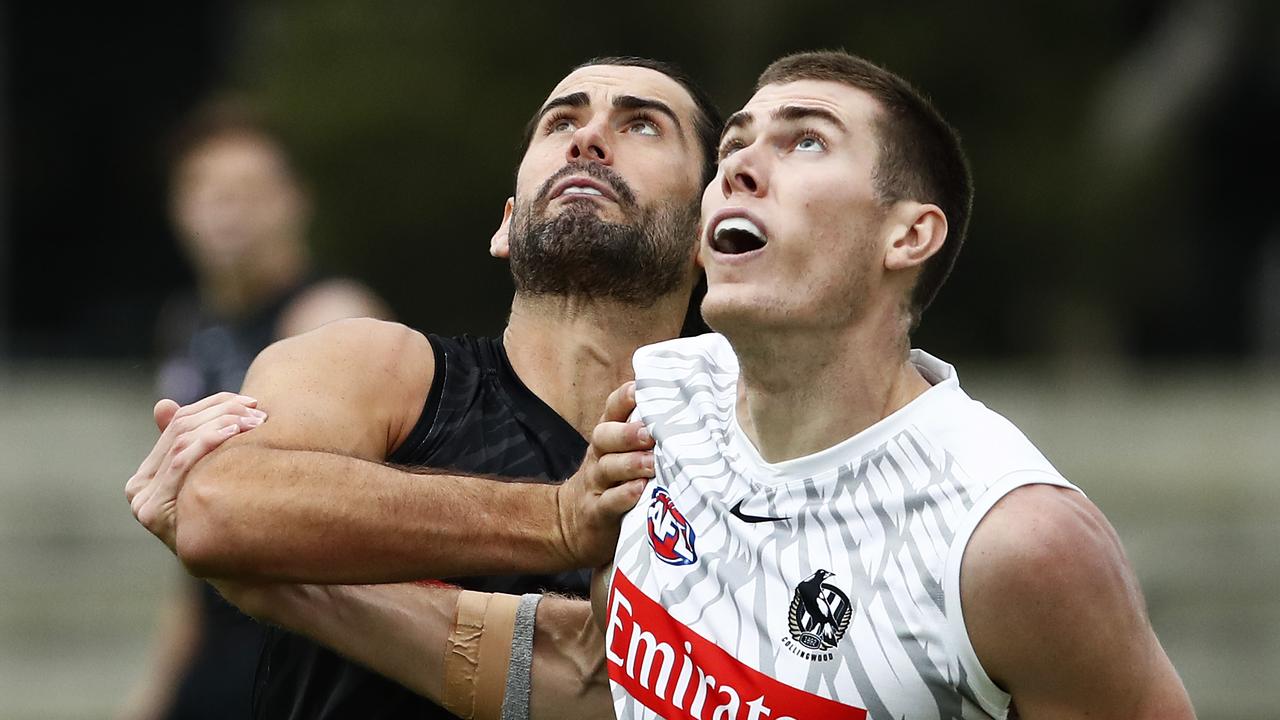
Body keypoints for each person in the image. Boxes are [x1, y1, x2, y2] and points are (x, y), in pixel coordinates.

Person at [131, 52, 1197, 719]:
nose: (746, 163)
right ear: (504, 219)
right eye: (737, 142)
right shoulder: (657, 409)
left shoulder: (1012, 537)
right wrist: (289, 581)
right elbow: (605, 681)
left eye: (802, 142)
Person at [126, 57, 722, 719]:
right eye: (562, 121)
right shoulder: (385, 368)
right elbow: (222, 507)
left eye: (643, 125)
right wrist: (555, 520)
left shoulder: (731, 471)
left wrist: (298, 583)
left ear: (709, 234)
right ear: (506, 224)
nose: (587, 139)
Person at [120, 100, 388, 720]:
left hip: (308, 650)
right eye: (206, 190)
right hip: (216, 645)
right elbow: (188, 529)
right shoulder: (187, 327)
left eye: (248, 190)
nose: (226, 209)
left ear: (296, 201)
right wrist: (156, 691)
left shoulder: (333, 319)